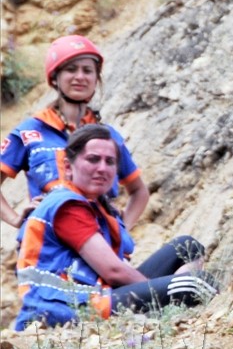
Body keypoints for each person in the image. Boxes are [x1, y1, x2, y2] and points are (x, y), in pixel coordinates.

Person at [13, 125, 217, 330]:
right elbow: (114, 271)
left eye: (109, 161)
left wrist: (159, 290)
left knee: (186, 247)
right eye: (93, 159)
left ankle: (165, 316)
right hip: (65, 309)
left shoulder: (95, 206)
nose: (102, 168)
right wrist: (157, 293)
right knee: (196, 284)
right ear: (68, 166)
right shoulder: (68, 206)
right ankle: (166, 318)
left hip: (95, 296)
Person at [2, 35, 149, 232]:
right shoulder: (31, 131)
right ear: (55, 78)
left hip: (101, 240)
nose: (80, 77)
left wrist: (122, 231)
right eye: (71, 69)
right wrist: (16, 220)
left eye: (87, 70)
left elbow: (139, 191)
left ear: (96, 79)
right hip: (48, 242)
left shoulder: (108, 137)